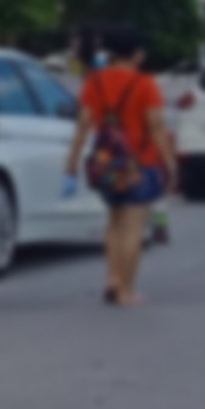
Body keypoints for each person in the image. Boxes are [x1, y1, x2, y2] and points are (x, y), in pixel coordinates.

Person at [72, 27, 181, 308]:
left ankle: (112, 278)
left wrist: (72, 160)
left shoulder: (94, 82)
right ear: (136, 54)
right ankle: (125, 291)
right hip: (142, 163)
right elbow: (157, 127)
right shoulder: (145, 84)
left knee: (114, 224)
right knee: (133, 229)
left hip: (106, 164)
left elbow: (83, 123)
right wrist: (170, 163)